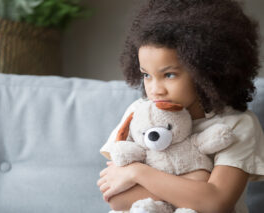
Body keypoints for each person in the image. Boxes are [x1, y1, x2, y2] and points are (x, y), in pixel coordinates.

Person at [97, 0, 264, 212]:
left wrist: (138, 173)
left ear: (206, 70)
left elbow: (216, 202)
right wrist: (196, 181)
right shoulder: (139, 114)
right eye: (147, 75)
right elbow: (116, 199)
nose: (156, 89)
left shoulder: (238, 125)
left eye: (169, 75)